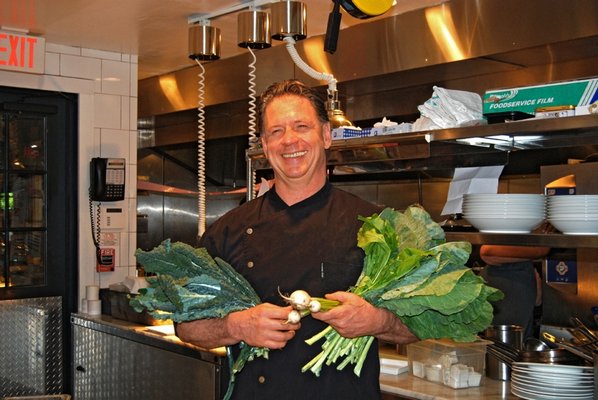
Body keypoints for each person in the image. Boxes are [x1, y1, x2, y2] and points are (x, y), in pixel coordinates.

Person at [175, 79, 417, 400]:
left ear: (327, 135)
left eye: (301, 126)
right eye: (276, 131)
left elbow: (422, 325)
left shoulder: (376, 226)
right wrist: (235, 327)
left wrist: (377, 320)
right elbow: (185, 325)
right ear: (264, 144)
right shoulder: (229, 229)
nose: (289, 140)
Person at [479, 243, 550, 339]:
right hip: (506, 283)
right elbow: (488, 252)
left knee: (515, 341)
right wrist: (540, 250)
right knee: (506, 343)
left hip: (517, 281)